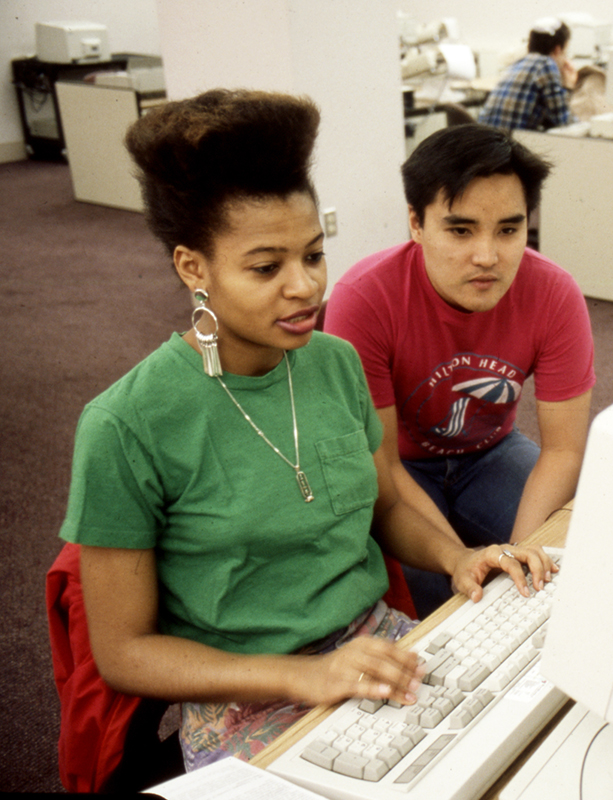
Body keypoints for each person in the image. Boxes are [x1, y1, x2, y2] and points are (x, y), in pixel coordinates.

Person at [58, 89, 556, 772]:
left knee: (537, 738)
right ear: (192, 268)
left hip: (374, 648)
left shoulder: (333, 361)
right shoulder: (127, 423)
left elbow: (383, 502)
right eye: (267, 267)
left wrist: (454, 557)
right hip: (246, 693)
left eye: (314, 256)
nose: (305, 288)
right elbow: (123, 653)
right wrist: (301, 677)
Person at [323, 124, 595, 618]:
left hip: (490, 453)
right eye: (460, 230)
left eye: (509, 230)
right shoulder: (364, 299)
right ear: (416, 222)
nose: (487, 257)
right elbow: (381, 465)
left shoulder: (554, 293)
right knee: (440, 605)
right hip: (401, 467)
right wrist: (463, 559)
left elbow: (563, 449)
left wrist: (519, 553)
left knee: (563, 565)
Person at [478, 17, 578, 132]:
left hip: (488, 141)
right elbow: (564, 122)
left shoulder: (518, 63)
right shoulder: (546, 64)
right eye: (566, 52)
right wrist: (569, 86)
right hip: (507, 145)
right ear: (557, 49)